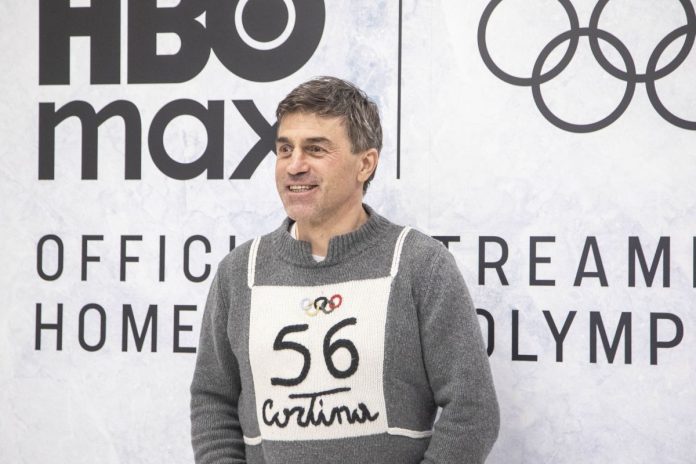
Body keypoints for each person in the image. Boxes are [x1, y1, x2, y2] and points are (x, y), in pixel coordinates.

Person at [190, 76, 499, 464]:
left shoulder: (419, 264)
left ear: (365, 164)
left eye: (315, 149)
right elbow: (212, 399)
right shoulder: (240, 273)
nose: (294, 166)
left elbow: (473, 411)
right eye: (285, 149)